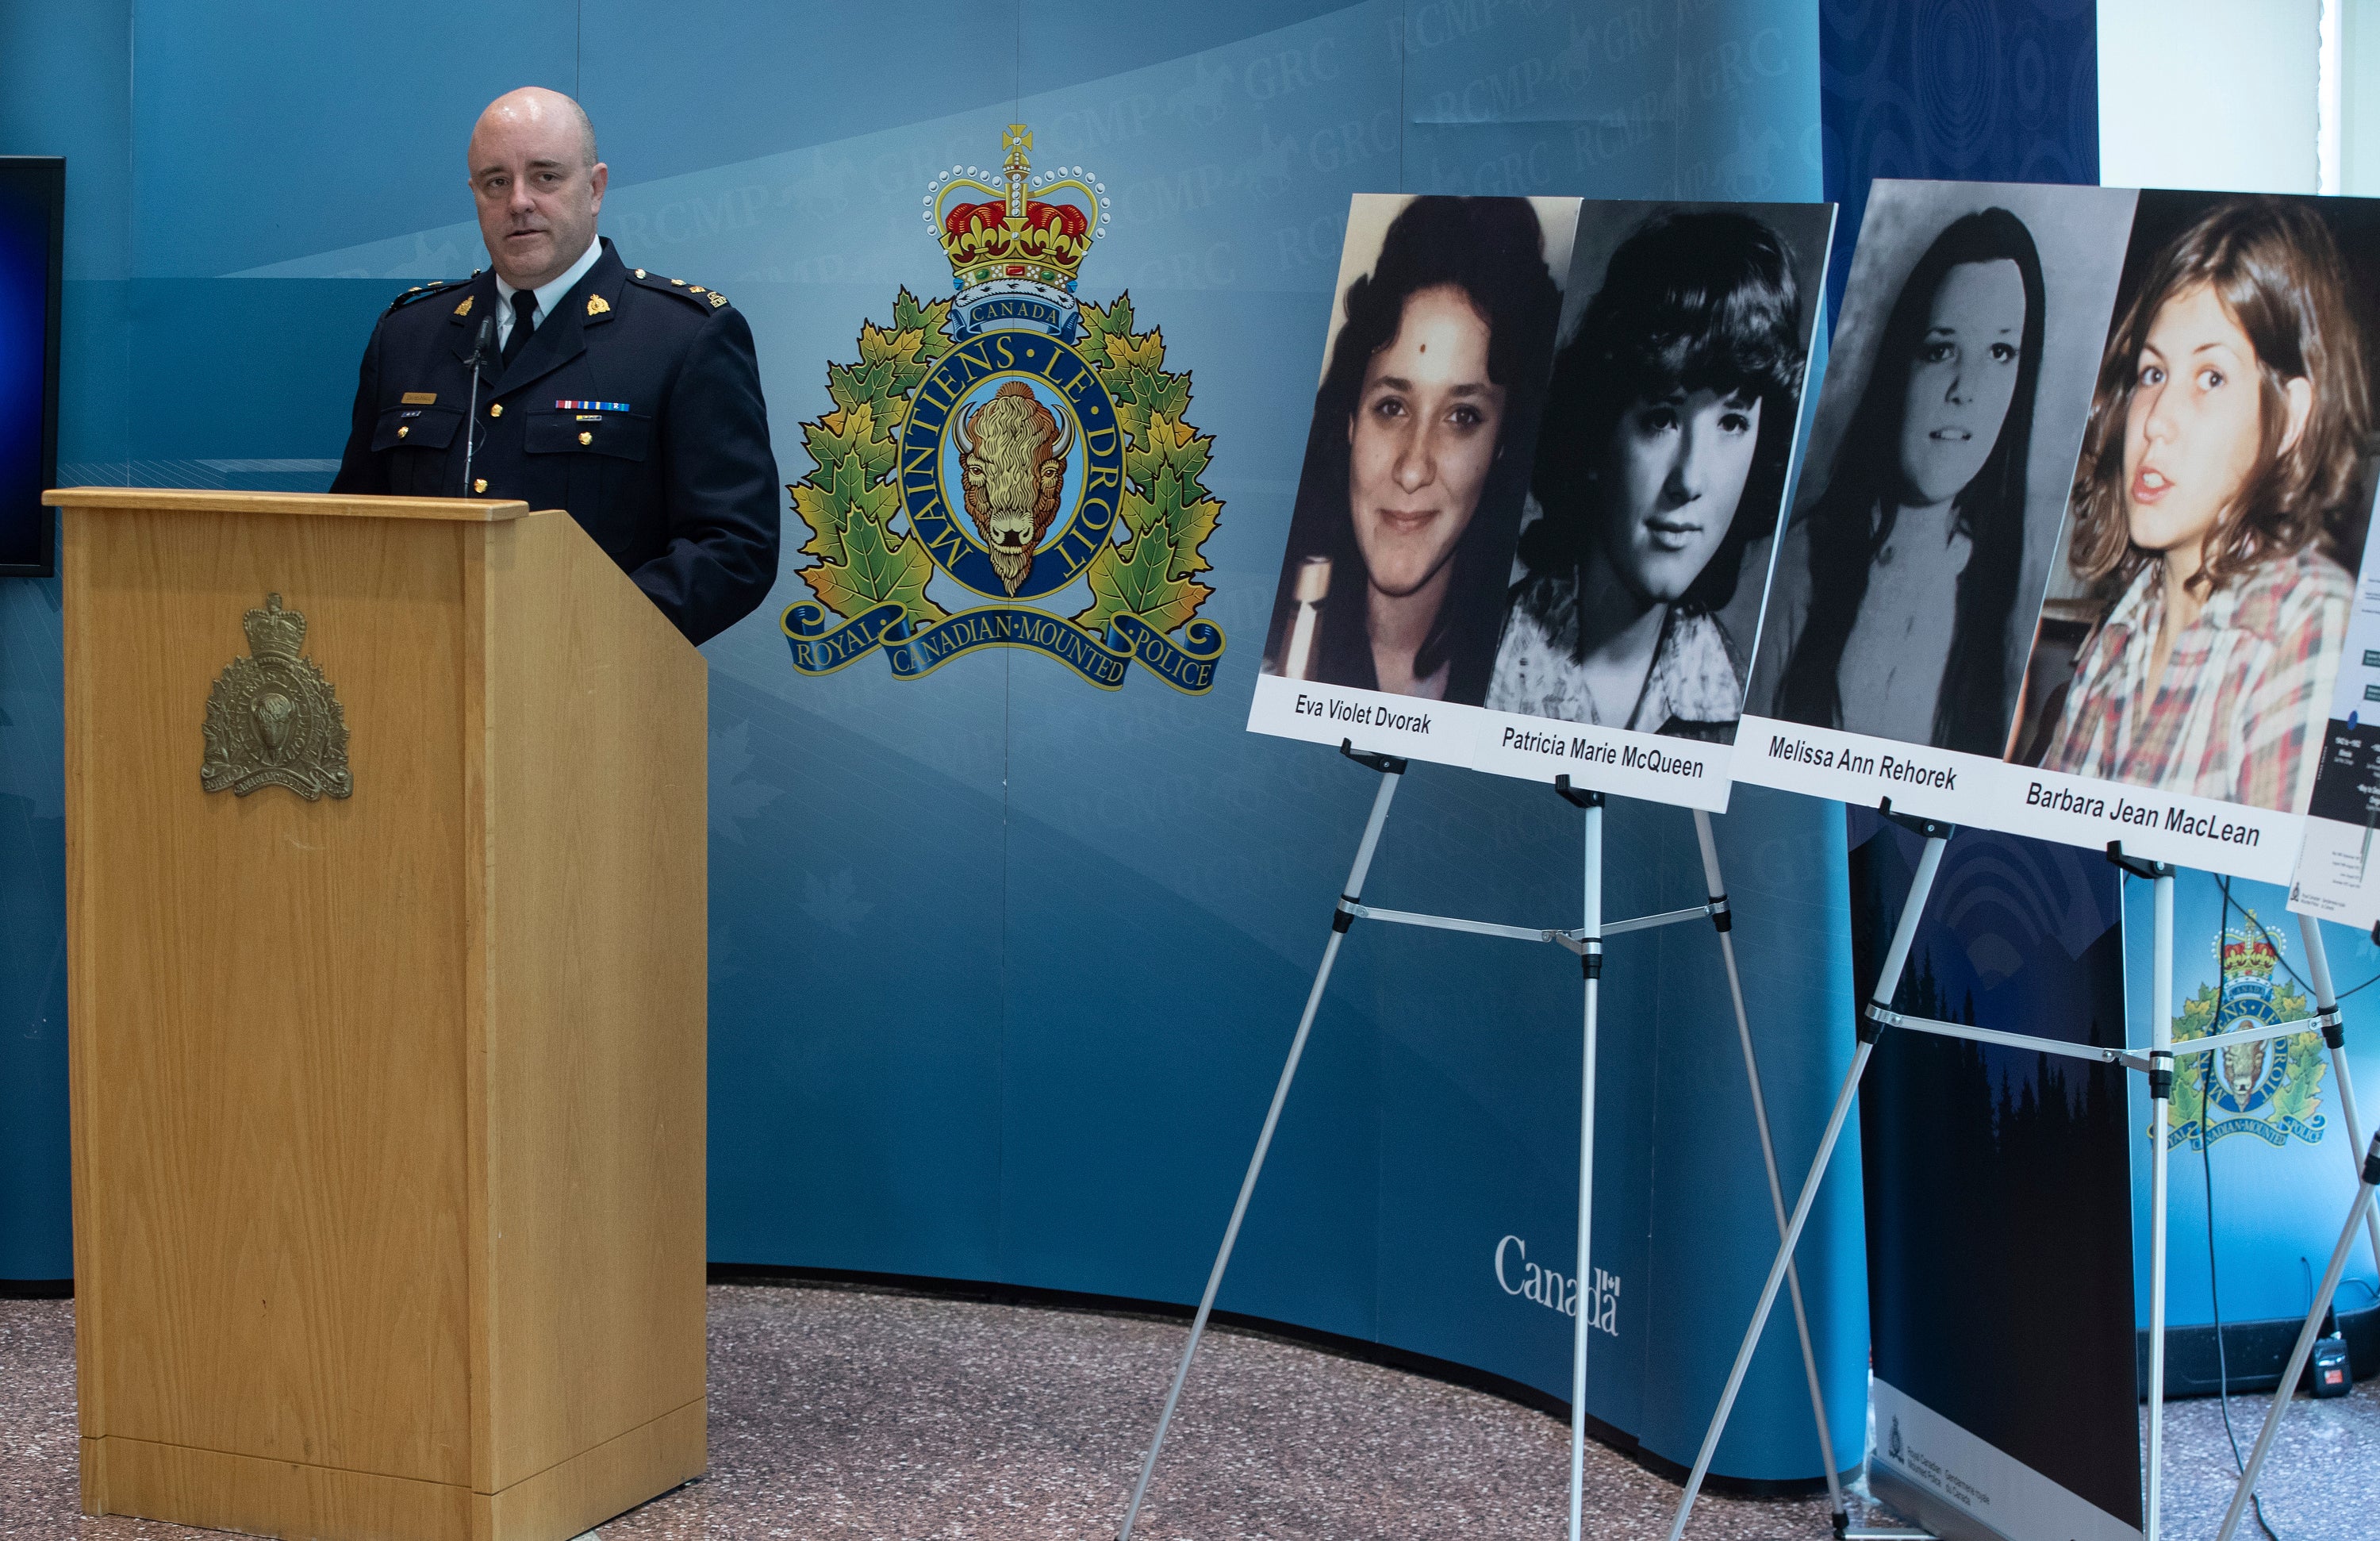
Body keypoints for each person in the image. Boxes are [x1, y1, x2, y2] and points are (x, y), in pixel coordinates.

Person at [331, 87, 779, 645]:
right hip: (421, 688)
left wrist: (575, 635)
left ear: (594, 189)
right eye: (496, 182)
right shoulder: (407, 336)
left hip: (591, 694)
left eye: (545, 177)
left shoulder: (682, 336)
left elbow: (734, 547)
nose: (519, 201)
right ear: (475, 195)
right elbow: (355, 527)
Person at [2041, 198, 2368, 813]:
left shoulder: (2310, 630)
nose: (2157, 421)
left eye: (2211, 378)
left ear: (2289, 419)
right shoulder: (2120, 635)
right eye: (2153, 374)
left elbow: (2267, 910)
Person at [1486, 211, 1805, 740]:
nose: (1690, 479)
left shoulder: (1747, 708)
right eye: (1661, 418)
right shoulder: (1478, 657)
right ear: (1597, 428)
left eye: (1732, 421)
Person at [1755, 208, 2046, 753]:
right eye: (1941, 350)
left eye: (2001, 353)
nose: (1968, 389)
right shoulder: (1799, 566)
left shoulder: (2009, 596)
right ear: (1901, 365)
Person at [1262, 196, 1560, 701]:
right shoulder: (1263, 632)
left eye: (1462, 416)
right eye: (1392, 407)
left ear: (1502, 448)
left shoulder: (1535, 679)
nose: (1412, 469)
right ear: (1351, 421)